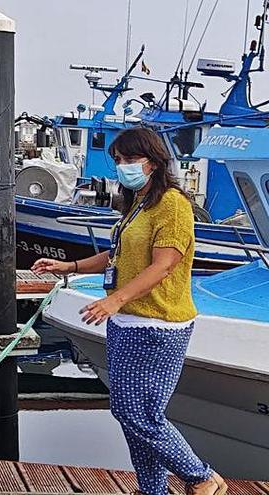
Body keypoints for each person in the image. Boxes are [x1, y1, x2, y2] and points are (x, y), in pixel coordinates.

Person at [32, 127, 227, 495]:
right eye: (118, 161)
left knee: (137, 413)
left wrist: (113, 300)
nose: (122, 167)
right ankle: (152, 489)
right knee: (133, 415)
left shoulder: (172, 203)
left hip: (157, 323)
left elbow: (164, 265)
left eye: (129, 159)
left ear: (152, 161)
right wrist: (70, 267)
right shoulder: (139, 203)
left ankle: (202, 477)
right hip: (128, 323)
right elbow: (118, 255)